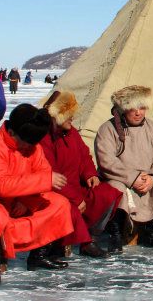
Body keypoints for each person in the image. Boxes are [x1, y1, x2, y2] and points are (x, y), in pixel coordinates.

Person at [0, 103, 73, 285]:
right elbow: (2, 186)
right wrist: (44, 180)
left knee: (58, 203)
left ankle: (39, 256)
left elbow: (41, 171)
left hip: (19, 200)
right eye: (26, 142)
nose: (29, 147)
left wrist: (28, 201)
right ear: (13, 132)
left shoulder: (32, 147)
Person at [39, 90, 122, 258]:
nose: (72, 119)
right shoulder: (45, 139)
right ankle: (62, 244)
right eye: (69, 115)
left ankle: (90, 238)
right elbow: (51, 175)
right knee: (66, 208)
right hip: (58, 191)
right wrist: (75, 199)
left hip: (77, 188)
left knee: (108, 193)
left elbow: (84, 156)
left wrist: (90, 174)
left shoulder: (72, 133)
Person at [94, 85, 153, 251]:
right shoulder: (108, 130)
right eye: (133, 108)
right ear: (123, 109)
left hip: (148, 177)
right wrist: (132, 178)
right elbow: (106, 161)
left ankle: (152, 231)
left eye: (142, 107)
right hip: (121, 179)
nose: (138, 112)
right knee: (115, 189)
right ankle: (116, 234)